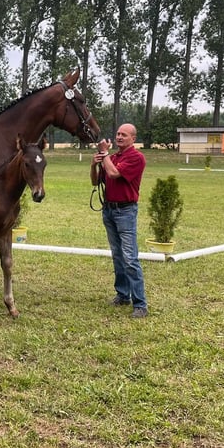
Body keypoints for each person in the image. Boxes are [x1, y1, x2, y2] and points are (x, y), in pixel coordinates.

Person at [90, 123, 148, 319]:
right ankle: (123, 295)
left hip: (125, 211)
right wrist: (94, 164)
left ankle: (140, 303)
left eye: (124, 135)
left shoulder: (136, 157)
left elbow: (114, 173)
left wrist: (104, 155)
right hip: (109, 210)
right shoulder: (113, 157)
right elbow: (96, 182)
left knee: (130, 257)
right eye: (118, 134)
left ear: (133, 138)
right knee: (117, 256)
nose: (119, 137)